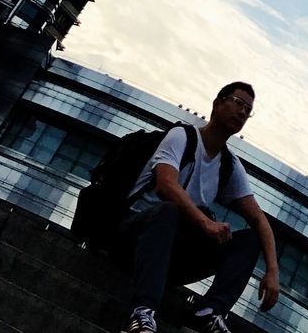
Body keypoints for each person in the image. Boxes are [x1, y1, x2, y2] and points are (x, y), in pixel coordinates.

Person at [115, 81, 280, 333]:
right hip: (135, 238)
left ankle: (209, 311)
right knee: (168, 210)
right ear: (217, 103)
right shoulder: (182, 136)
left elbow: (260, 220)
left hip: (174, 257)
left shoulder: (229, 165)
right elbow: (165, 184)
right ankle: (142, 312)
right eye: (238, 103)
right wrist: (205, 223)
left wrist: (272, 271)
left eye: (248, 110)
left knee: (250, 240)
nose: (242, 113)